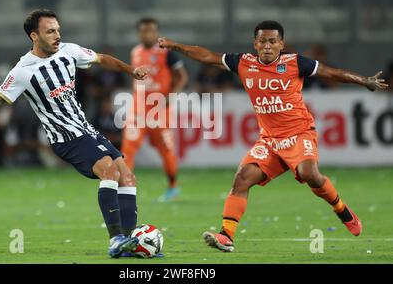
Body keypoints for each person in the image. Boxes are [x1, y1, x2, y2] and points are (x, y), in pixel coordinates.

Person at [158, 20, 388, 252]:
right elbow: (208, 56)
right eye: (262, 41)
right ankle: (226, 235)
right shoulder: (243, 62)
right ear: (255, 44)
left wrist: (364, 81)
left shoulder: (296, 63)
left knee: (310, 174)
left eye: (272, 41)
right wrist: (175, 46)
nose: (267, 46)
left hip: (299, 133)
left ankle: (342, 211)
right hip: (269, 140)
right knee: (242, 178)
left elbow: (331, 72)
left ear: (281, 44)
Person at [0, 9, 150, 258]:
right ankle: (116, 239)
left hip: (86, 129)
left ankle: (128, 244)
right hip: (65, 137)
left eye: (58, 29)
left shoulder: (69, 51)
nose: (57, 35)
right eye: (50, 31)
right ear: (34, 36)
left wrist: (130, 70)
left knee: (127, 178)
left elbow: (101, 58)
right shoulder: (23, 70)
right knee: (108, 169)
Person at [121, 17, 188, 202]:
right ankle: (125, 189)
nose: (147, 34)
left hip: (159, 111)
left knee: (166, 151)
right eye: (144, 31)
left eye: (151, 30)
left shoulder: (166, 53)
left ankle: (173, 186)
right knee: (127, 150)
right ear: (139, 33)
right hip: (138, 111)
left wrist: (172, 95)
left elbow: (182, 76)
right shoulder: (135, 52)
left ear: (156, 32)